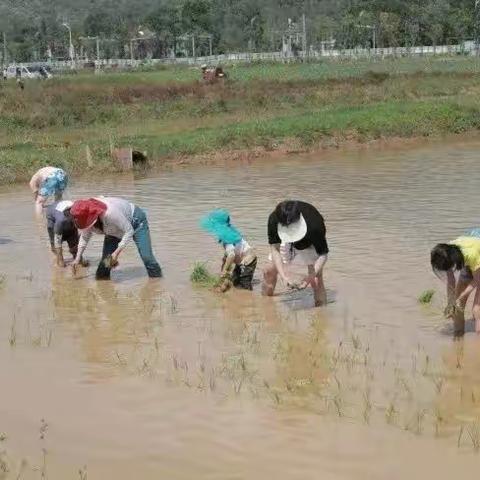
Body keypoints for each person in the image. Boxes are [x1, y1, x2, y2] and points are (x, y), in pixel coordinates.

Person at [70, 197, 162, 280]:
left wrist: (116, 253)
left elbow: (129, 231)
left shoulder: (110, 213)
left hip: (136, 222)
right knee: (104, 267)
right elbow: (85, 237)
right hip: (113, 231)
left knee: (147, 258)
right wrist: (77, 258)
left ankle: (157, 283)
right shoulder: (84, 219)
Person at [262, 200, 329, 307]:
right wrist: (283, 276)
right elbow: (275, 249)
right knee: (268, 271)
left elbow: (323, 254)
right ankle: (267, 308)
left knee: (316, 280)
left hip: (309, 241)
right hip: (285, 240)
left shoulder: (314, 225)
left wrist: (310, 276)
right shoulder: (274, 219)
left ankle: (320, 313)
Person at [431, 230, 480, 335]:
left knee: (477, 309)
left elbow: (477, 280)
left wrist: (462, 296)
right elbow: (451, 281)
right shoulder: (445, 255)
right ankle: (458, 335)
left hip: (476, 252)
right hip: (468, 254)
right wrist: (450, 303)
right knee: (457, 308)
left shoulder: (472, 254)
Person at [200, 209, 257, 292]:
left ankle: (248, 301)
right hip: (242, 260)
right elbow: (229, 253)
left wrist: (224, 271)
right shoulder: (229, 230)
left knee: (244, 286)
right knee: (235, 282)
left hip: (248, 262)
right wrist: (224, 265)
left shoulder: (227, 237)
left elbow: (231, 255)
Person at [46, 200, 87, 268]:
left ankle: (77, 257)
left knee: (73, 243)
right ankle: (58, 257)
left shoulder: (78, 213)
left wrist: (76, 243)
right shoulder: (61, 221)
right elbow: (57, 241)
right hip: (52, 217)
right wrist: (61, 260)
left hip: (66, 213)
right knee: (55, 245)